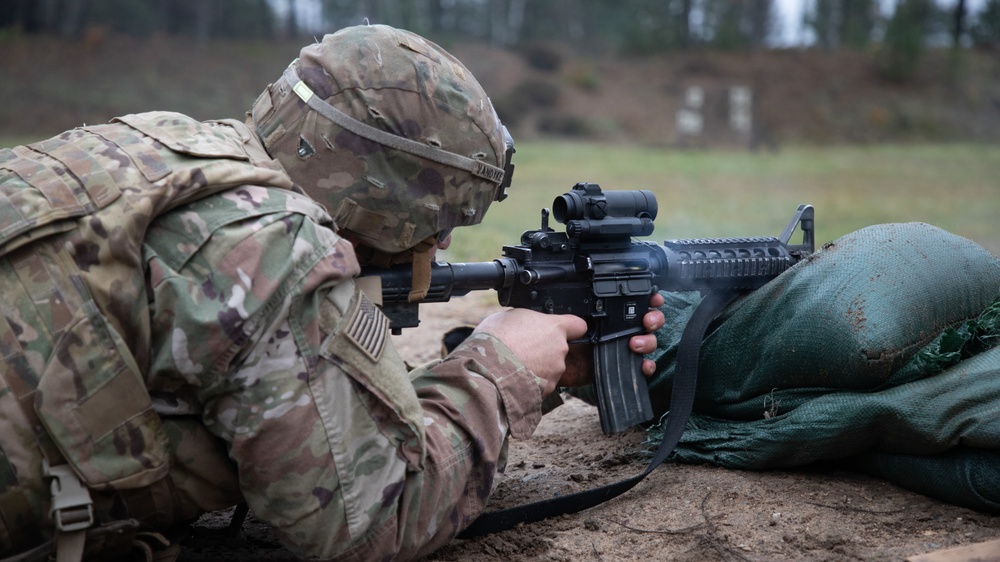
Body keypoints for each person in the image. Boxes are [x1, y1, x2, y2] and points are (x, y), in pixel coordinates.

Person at [0, 24, 664, 562]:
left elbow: (277, 379)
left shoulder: (168, 146)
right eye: (439, 222)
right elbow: (367, 523)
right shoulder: (276, 245)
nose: (439, 247)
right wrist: (500, 368)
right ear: (387, 197)